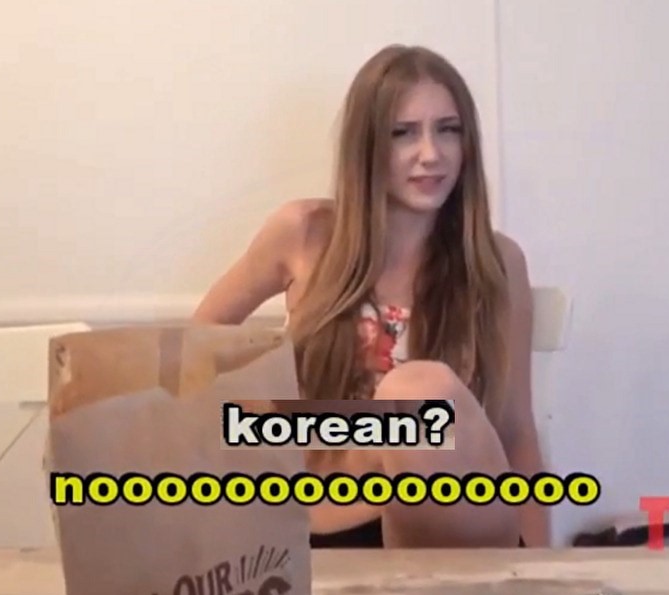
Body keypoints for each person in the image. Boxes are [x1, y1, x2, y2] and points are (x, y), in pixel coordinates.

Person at [193, 44, 550, 548]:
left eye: (448, 130)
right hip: (333, 520)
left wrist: (542, 566)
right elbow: (190, 354)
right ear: (367, 146)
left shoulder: (497, 262)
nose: (432, 154)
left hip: (456, 522)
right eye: (404, 133)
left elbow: (515, 429)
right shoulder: (304, 233)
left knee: (420, 390)